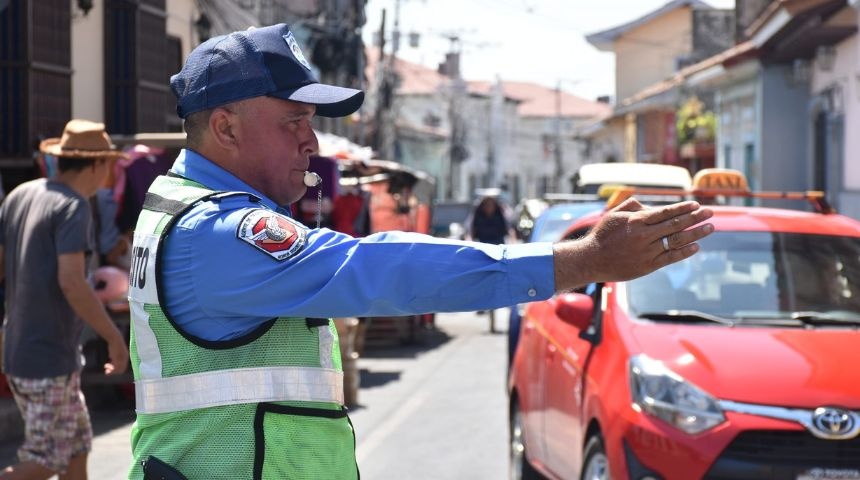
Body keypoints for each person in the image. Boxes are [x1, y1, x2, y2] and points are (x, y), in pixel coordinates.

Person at [126, 23, 714, 480]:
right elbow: (379, 268)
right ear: (226, 128)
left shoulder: (185, 205)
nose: (311, 141)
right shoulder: (219, 231)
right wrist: (579, 261)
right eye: (294, 121)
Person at [0, 119, 130, 480]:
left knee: (76, 448)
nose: (111, 170)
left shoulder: (21, 194)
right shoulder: (73, 207)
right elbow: (72, 283)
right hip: (47, 357)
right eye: (109, 162)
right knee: (46, 460)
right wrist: (113, 336)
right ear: (95, 164)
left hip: (24, 351)